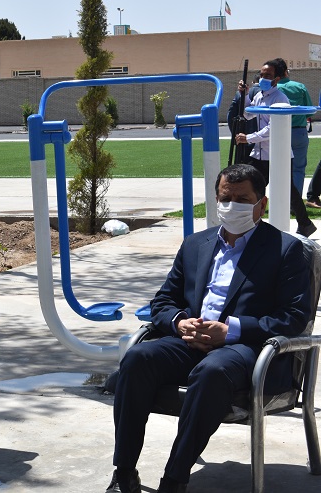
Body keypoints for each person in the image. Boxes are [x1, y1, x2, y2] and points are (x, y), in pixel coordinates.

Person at [105, 163, 311, 493]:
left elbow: (294, 316)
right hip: (190, 341)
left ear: (262, 204)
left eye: (242, 200)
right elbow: (163, 301)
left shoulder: (285, 250)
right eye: (225, 198)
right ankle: (124, 472)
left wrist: (230, 330)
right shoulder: (195, 244)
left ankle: (174, 479)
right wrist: (179, 322)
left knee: (212, 371)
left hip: (247, 349)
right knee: (137, 358)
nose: (232, 206)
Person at [234, 59, 316, 237]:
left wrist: (248, 138)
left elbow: (273, 128)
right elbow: (248, 114)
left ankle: (302, 224)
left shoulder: (280, 98)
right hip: (260, 154)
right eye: (261, 74)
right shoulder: (259, 95)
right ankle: (304, 224)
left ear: (277, 79)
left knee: (283, 190)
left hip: (278, 154)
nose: (263, 78)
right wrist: (244, 95)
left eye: (268, 75)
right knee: (254, 186)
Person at [273, 59, 314, 196]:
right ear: (286, 72)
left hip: (277, 132)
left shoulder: (272, 89)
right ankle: (295, 202)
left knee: (278, 168)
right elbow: (309, 110)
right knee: (298, 169)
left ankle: (280, 199)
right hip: (298, 131)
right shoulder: (299, 87)